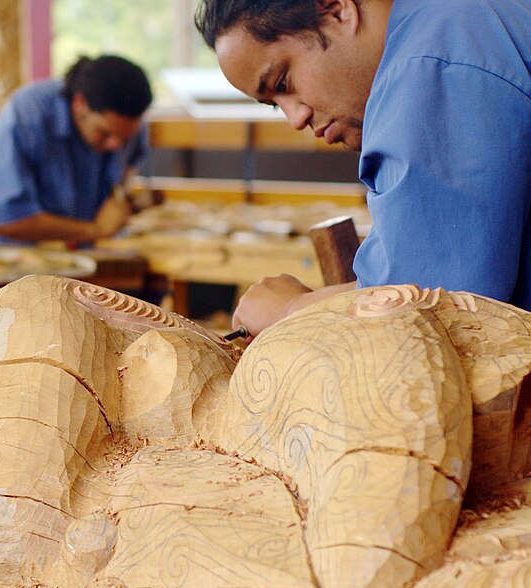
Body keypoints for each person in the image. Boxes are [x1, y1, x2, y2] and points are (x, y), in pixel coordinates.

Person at [195, 0, 531, 337]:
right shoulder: (458, 18)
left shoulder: (429, 61)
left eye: (283, 82)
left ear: (337, 9)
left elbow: (428, 312)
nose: (295, 118)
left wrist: (290, 310)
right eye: (273, 105)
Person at [0, 54, 153, 245]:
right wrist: (96, 229)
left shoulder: (128, 123)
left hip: (89, 254)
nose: (115, 145)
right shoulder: (28, 114)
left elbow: (131, 165)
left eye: (126, 137)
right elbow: (5, 220)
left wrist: (117, 197)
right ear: (80, 105)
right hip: (19, 263)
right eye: (104, 133)